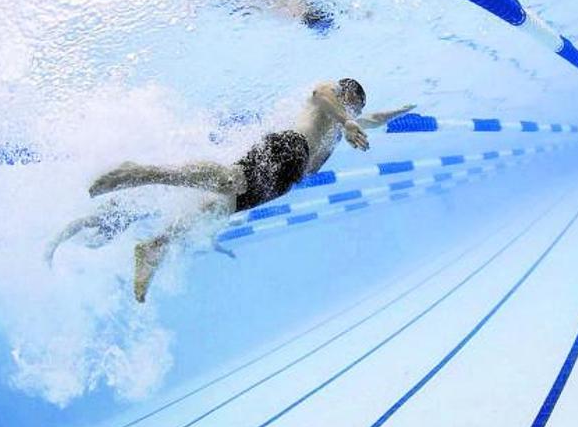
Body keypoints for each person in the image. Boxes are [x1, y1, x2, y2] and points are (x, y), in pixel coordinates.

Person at [85, 79, 415, 302]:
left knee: (217, 210)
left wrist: (397, 111)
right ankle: (139, 172)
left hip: (286, 179)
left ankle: (155, 246)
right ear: (345, 94)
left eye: (356, 110)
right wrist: (347, 121)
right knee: (230, 181)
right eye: (352, 105)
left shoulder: (345, 124)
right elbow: (321, 96)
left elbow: (371, 120)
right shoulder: (331, 99)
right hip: (290, 147)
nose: (354, 113)